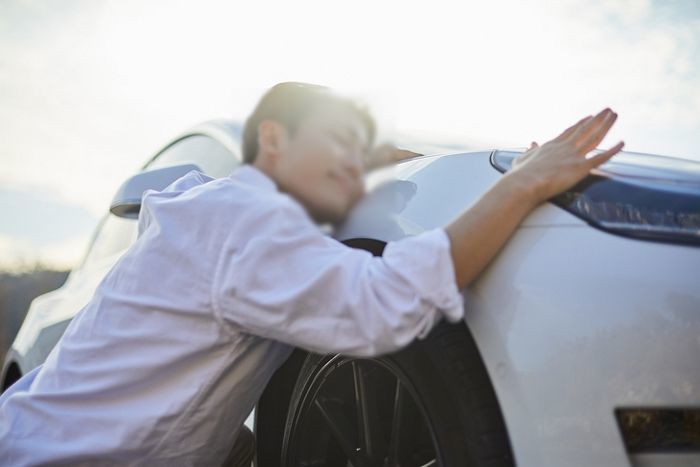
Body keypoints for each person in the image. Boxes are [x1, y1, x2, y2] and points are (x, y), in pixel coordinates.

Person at [0, 81, 623, 466]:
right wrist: (524, 182)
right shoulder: (246, 222)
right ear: (273, 138)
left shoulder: (213, 214)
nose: (355, 170)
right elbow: (386, 304)